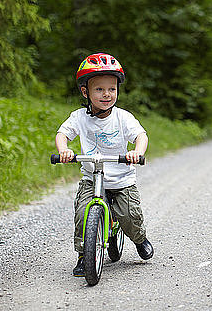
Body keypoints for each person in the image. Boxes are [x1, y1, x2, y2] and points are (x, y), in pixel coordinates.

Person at [55, 52, 154, 277]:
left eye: (112, 89)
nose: (107, 94)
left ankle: (139, 239)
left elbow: (141, 135)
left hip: (121, 180)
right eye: (99, 89)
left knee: (130, 216)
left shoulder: (122, 118)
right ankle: (84, 255)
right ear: (85, 92)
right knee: (82, 215)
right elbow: (63, 134)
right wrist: (64, 150)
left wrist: (136, 152)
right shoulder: (79, 117)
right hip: (93, 178)